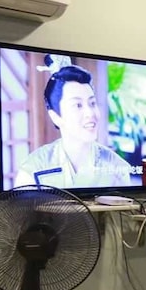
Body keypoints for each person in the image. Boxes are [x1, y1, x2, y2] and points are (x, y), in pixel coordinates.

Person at [13, 54, 132, 189]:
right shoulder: (33, 169)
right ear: (55, 116)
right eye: (78, 105)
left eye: (92, 103)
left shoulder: (117, 167)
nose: (90, 113)